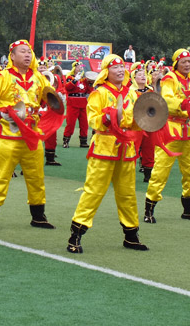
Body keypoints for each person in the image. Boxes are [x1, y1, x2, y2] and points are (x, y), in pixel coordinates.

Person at [66, 54, 148, 254]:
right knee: (93, 192)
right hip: (104, 147)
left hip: (126, 149)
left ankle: (131, 235)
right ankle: (75, 235)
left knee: (127, 193)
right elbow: (93, 119)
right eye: (115, 68)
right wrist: (109, 116)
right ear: (106, 72)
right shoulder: (99, 92)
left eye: (122, 67)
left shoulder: (131, 93)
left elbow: (136, 119)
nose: (120, 71)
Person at [0, 40, 59, 230]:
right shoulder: (1, 77)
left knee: (36, 177)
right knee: (1, 177)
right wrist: (1, 111)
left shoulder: (40, 78)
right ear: (12, 56)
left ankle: (38, 216)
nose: (27, 55)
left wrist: (49, 104)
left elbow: (50, 101)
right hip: (9, 136)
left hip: (32, 136)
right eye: (22, 52)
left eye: (29, 52)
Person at [144, 49, 190, 223]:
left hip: (187, 130)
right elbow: (167, 100)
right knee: (160, 171)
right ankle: (149, 208)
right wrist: (186, 103)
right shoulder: (169, 79)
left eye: (189, 61)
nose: (187, 64)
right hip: (170, 130)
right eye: (184, 62)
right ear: (176, 64)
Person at [130, 61, 155, 182]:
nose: (143, 76)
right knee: (133, 148)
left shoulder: (151, 91)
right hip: (135, 124)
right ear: (133, 78)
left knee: (149, 148)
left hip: (149, 123)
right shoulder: (130, 92)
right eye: (140, 75)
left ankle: (148, 174)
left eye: (144, 74)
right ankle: (128, 172)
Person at [63, 60, 91, 148]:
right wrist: (75, 80)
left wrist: (91, 83)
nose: (81, 68)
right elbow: (67, 87)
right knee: (71, 123)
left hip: (83, 102)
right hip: (73, 102)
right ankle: (66, 141)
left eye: (81, 67)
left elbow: (89, 91)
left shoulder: (84, 79)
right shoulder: (70, 77)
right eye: (79, 67)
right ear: (75, 68)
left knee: (84, 124)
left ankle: (83, 141)